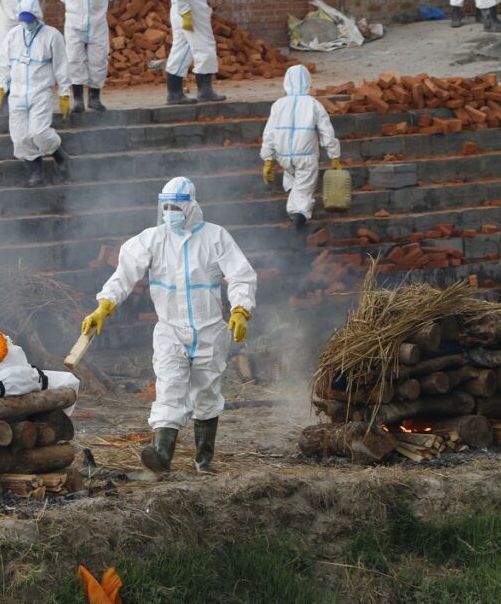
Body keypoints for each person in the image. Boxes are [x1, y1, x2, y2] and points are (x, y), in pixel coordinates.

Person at [80, 177, 257, 473]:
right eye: (166, 206)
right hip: (170, 331)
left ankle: (204, 460)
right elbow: (124, 275)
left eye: (176, 206)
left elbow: (241, 276)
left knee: (207, 393)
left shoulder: (215, 237)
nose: (170, 212)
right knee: (169, 389)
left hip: (209, 331)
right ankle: (161, 455)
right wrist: (104, 305)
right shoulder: (152, 239)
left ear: (190, 206)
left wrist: (241, 309)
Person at [0, 0, 72, 188]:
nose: (27, 24)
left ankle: (61, 158)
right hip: (17, 94)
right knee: (20, 138)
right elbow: (2, 64)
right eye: (24, 20)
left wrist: (64, 93)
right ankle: (36, 174)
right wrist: (0, 89)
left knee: (39, 132)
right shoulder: (13, 35)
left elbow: (61, 66)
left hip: (40, 92)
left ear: (38, 16)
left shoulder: (52, 36)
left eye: (30, 20)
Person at [260, 64, 342, 230]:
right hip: (306, 158)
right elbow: (327, 132)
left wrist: (268, 160)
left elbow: (269, 133)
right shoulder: (313, 104)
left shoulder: (278, 104)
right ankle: (296, 231)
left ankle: (294, 220)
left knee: (294, 185)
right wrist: (335, 156)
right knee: (303, 194)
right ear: (307, 83)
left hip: (284, 158)